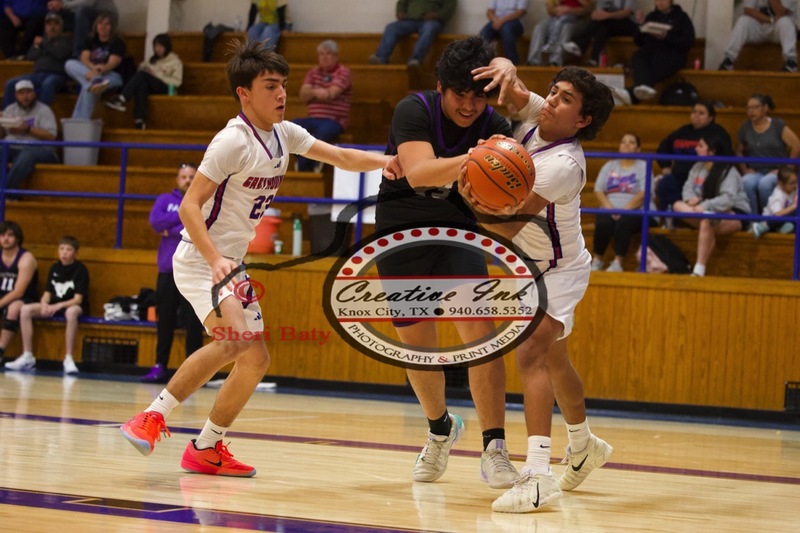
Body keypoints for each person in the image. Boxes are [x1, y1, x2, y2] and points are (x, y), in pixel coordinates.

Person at [119, 39, 398, 476]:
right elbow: (190, 207)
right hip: (201, 257)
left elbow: (340, 156)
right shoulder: (231, 142)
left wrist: (388, 161)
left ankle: (206, 447)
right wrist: (214, 260)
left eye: (284, 84)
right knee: (233, 342)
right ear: (243, 94)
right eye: (271, 86)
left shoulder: (285, 133)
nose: (282, 94)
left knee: (255, 359)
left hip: (231, 260)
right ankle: (151, 416)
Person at [466, 61, 615, 513]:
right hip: (529, 266)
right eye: (554, 92)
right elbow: (514, 92)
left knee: (529, 351)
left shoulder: (564, 164)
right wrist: (507, 68)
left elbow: (505, 230)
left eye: (565, 99)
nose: (551, 100)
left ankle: (537, 475)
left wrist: (468, 190)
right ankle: (583, 442)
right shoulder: (540, 118)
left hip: (559, 269)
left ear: (582, 120)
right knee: (554, 359)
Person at [377, 36, 518, 490]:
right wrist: (480, 158)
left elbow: (504, 199)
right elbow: (419, 173)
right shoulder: (412, 110)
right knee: (418, 349)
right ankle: (441, 429)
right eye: (461, 94)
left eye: (479, 96)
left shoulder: (497, 122)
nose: (470, 106)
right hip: (402, 235)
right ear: (442, 87)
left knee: (481, 336)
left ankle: (495, 447)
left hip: (457, 233)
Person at [142, 162, 204, 383]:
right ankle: (160, 365)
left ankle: (194, 372)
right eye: (184, 177)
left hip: (194, 271)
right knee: (165, 320)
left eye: (191, 177)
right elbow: (155, 222)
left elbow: (201, 227)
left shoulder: (204, 200)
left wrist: (173, 229)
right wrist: (186, 218)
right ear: (177, 180)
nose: (187, 180)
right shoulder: (164, 200)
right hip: (168, 271)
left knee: (194, 323)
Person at [672, 136, 751, 277]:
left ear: (712, 151)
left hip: (734, 211)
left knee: (707, 221)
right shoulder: (697, 166)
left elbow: (729, 199)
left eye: (701, 146)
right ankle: (707, 219)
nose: (696, 148)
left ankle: (699, 269)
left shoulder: (728, 171)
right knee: (678, 206)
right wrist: (690, 199)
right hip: (703, 210)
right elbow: (687, 187)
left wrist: (705, 205)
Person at [9, 236, 89, 374]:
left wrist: (60, 305)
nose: (64, 252)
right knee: (26, 310)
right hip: (55, 304)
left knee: (71, 312)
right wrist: (44, 304)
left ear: (75, 253)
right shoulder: (54, 268)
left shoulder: (80, 269)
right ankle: (27, 355)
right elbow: (47, 292)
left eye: (69, 250)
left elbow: (78, 299)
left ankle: (69, 358)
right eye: (62, 249)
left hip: (72, 305)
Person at [592, 133, 654, 272]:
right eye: (623, 141)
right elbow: (598, 190)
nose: (626, 144)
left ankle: (618, 262)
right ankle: (597, 260)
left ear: (638, 149)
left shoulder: (644, 166)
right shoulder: (610, 165)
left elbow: (645, 193)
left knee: (624, 221)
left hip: (636, 209)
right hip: (611, 208)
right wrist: (610, 209)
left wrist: (624, 210)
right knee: (603, 221)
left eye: (631, 142)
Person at [654, 101, 733, 212]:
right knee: (665, 184)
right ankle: (670, 220)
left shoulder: (718, 133)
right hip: (679, 177)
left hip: (705, 178)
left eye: (701, 113)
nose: (696, 115)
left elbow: (727, 156)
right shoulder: (683, 131)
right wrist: (665, 166)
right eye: (694, 112)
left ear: (710, 118)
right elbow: (663, 148)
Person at [736, 93, 800, 215]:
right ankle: (753, 218)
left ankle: (771, 219)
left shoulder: (777, 125)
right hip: (756, 170)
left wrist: (786, 170)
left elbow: (796, 145)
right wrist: (745, 169)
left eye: (755, 107)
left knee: (765, 184)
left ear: (765, 108)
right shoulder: (745, 127)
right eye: (748, 108)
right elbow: (739, 151)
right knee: (746, 181)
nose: (751, 111)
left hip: (777, 170)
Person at [293, 39, 350, 172]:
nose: (324, 57)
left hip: (334, 120)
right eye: (321, 54)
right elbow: (303, 95)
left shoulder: (343, 72)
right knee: (291, 128)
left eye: (328, 53)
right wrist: (320, 91)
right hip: (313, 118)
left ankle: (304, 165)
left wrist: (312, 92)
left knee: (320, 135)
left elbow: (331, 94)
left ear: (336, 56)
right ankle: (309, 161)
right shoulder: (313, 72)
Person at [104, 33, 183, 130]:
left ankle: (122, 98)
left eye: (161, 46)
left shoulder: (175, 61)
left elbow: (177, 81)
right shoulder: (152, 60)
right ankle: (139, 120)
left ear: (167, 46)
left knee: (143, 76)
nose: (158, 49)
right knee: (142, 84)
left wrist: (156, 75)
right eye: (156, 46)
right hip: (150, 85)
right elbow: (141, 69)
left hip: (166, 88)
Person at [624, 0, 694, 103]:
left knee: (658, 62)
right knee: (638, 56)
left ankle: (632, 93)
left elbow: (689, 41)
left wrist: (667, 37)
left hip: (673, 54)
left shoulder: (681, 17)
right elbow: (638, 41)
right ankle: (642, 89)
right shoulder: (652, 16)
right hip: (651, 52)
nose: (660, 3)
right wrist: (640, 26)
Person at [1, 12, 71, 110]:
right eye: (49, 24)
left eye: (56, 24)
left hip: (57, 75)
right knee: (11, 83)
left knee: (47, 84)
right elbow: (31, 56)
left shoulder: (65, 41)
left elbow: (60, 54)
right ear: (45, 27)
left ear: (61, 26)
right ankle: (6, 116)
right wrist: (47, 47)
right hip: (38, 75)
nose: (52, 27)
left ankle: (40, 115)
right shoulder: (42, 41)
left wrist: (43, 45)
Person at [0, 79, 59, 195]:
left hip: (41, 150)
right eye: (21, 93)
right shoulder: (10, 110)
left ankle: (6, 194)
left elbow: (52, 136)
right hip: (13, 147)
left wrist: (27, 129)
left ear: (34, 94)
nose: (25, 96)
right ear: (16, 96)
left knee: (27, 153)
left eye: (28, 92)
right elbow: (2, 136)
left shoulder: (44, 110)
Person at [64, 12, 125, 119]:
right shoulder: (91, 39)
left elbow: (111, 64)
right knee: (69, 64)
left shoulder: (117, 41)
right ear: (96, 26)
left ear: (112, 27)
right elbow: (84, 58)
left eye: (107, 24)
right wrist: (93, 69)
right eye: (100, 23)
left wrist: (98, 71)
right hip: (92, 73)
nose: (103, 27)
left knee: (89, 87)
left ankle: (78, 123)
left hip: (111, 76)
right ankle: (92, 85)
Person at [368, 0, 458, 67]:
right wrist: (400, 12)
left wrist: (436, 15)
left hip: (431, 21)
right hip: (410, 20)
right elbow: (401, 3)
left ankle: (415, 59)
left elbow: (449, 7)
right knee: (392, 27)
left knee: (429, 28)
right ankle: (380, 58)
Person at [718, 0, 798, 73]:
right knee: (743, 21)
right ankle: (728, 60)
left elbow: (781, 13)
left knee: (785, 21)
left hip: (778, 29)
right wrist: (770, 20)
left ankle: (791, 62)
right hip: (761, 25)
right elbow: (748, 10)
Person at [0, 221, 38, 368]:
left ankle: (1, 350)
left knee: (14, 308)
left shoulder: (26, 258)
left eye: (10, 235)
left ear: (17, 238)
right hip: (3, 296)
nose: (5, 239)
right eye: (2, 235)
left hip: (23, 298)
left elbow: (19, 291)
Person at [562, 0, 638, 66]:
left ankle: (580, 45)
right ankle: (594, 59)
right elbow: (599, 10)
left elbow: (626, 12)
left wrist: (608, 15)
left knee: (604, 24)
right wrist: (596, 15)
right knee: (602, 26)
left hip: (626, 23)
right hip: (608, 23)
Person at [526, 0, 593, 67]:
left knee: (566, 28)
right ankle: (533, 61)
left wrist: (569, 10)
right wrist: (559, 10)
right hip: (556, 18)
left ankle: (555, 61)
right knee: (540, 27)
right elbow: (550, 10)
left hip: (577, 21)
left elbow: (588, 9)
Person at [751, 165, 798, 237]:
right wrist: (794, 206)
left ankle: (781, 229)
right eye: (791, 183)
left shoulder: (793, 189)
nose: (795, 185)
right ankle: (762, 226)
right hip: (771, 221)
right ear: (781, 183)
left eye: (796, 182)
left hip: (784, 220)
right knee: (794, 211)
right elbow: (777, 215)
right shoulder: (778, 195)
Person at [478, 0, 528, 66]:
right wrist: (495, 20)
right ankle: (479, 62)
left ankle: (513, 63)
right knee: (484, 33)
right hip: (496, 21)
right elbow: (489, 11)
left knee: (507, 30)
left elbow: (520, 12)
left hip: (514, 22)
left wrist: (502, 21)